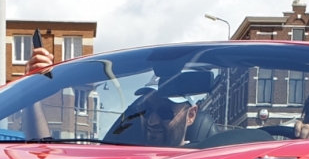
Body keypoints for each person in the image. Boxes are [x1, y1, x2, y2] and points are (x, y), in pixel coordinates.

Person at [24, 47, 198, 147]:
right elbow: (44, 154)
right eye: (147, 110)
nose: (152, 120)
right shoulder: (121, 157)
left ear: (191, 115)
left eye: (165, 112)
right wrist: (33, 92)